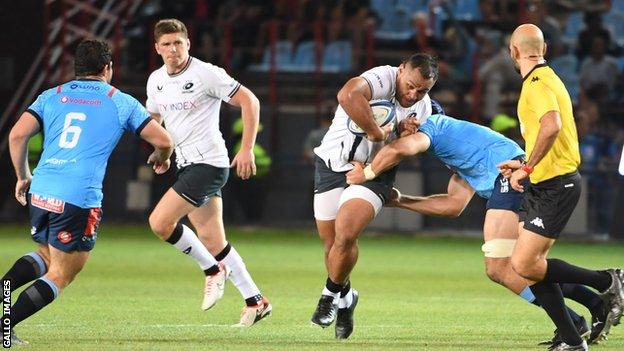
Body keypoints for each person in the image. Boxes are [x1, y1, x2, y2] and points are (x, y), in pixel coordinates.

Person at [345, 113, 611, 346]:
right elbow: (453, 205)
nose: (405, 126)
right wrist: (400, 201)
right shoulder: (459, 151)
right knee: (524, 266)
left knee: (502, 266)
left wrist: (366, 174)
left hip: (508, 176)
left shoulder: (434, 127)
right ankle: (592, 304)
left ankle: (584, 310)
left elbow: (402, 148)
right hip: (510, 174)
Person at [2, 39, 174, 345]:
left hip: (41, 189)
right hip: (77, 196)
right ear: (107, 68)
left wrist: (22, 176)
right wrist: (161, 157)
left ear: (76, 69)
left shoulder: (52, 95)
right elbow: (163, 141)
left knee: (44, 254)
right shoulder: (119, 101)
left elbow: (17, 134)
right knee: (62, 272)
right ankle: (4, 324)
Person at [497, 24, 623, 351]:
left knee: (524, 265)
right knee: (530, 267)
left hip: (556, 185)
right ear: (544, 48)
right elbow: (553, 134)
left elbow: (551, 126)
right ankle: (571, 339)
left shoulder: (536, 84)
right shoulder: (548, 78)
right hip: (546, 182)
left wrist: (526, 167)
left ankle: (607, 281)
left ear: (513, 51)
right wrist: (525, 161)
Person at [145, 18, 271, 327]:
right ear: (157, 48)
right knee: (213, 239)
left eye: (178, 42)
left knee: (160, 222)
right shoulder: (155, 80)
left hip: (210, 164)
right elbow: (156, 120)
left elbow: (249, 100)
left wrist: (246, 148)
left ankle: (213, 270)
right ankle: (256, 301)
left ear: (188, 43)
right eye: (167, 44)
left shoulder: (206, 74)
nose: (174, 49)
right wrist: (163, 153)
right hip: (185, 163)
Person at [310, 53, 443, 339]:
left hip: (375, 173)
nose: (413, 94)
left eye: (422, 90)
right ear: (401, 70)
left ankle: (328, 296)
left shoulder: (423, 109)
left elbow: (401, 150)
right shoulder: (381, 78)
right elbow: (347, 95)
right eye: (410, 85)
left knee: (346, 234)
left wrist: (398, 139)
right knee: (332, 244)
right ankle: (347, 301)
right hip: (333, 163)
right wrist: (376, 131)